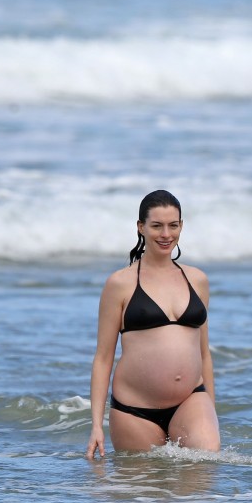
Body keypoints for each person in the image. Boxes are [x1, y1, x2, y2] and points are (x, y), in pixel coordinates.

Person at [86, 190, 220, 458]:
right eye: (157, 226)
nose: (166, 234)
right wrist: (96, 426)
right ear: (141, 227)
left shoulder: (197, 280)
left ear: (181, 226)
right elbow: (103, 358)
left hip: (191, 398)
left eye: (173, 225)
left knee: (205, 466)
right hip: (134, 410)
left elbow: (203, 352)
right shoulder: (120, 283)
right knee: (144, 494)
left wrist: (211, 409)